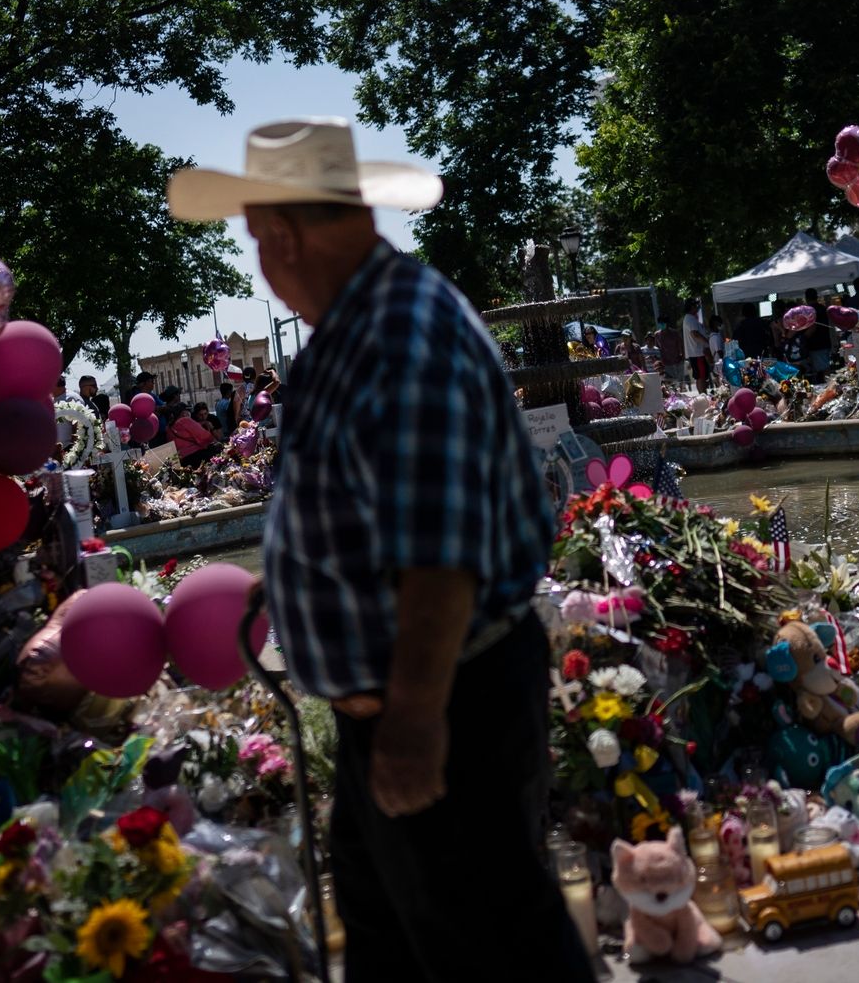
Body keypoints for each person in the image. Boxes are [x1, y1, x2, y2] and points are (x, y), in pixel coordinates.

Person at [166, 117, 592, 982]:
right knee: (402, 942)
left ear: (283, 234)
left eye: (256, 240)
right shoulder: (362, 324)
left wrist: (411, 722)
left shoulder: (396, 334)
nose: (261, 264)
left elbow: (440, 556)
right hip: (412, 703)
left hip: (437, 701)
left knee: (491, 950)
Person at [682, 299, 711, 391]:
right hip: (697, 353)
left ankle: (703, 396)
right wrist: (707, 341)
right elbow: (695, 334)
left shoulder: (690, 318)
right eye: (696, 305)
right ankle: (703, 396)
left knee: (701, 376)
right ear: (691, 307)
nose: (697, 308)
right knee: (701, 377)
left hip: (697, 353)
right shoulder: (690, 318)